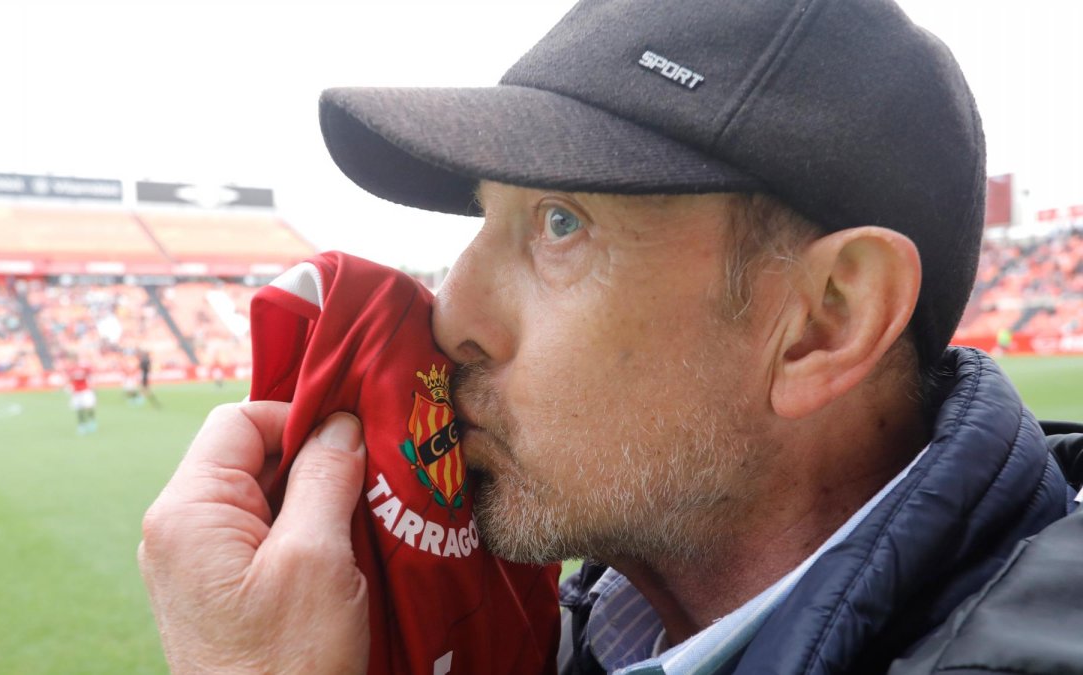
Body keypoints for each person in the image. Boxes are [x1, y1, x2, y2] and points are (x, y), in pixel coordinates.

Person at [138, 1, 1083, 673]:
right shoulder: (601, 620)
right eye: (482, 215)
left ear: (823, 320)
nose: (449, 313)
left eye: (559, 223)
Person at [65, 355, 97, 434]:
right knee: (79, 410)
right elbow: (69, 379)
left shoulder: (84, 367)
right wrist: (68, 387)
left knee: (89, 407)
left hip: (85, 390)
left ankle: (92, 421)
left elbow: (90, 375)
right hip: (76, 392)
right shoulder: (70, 369)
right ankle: (81, 425)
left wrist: (92, 384)